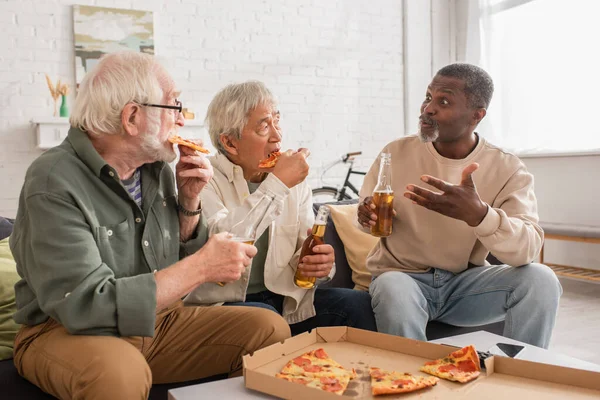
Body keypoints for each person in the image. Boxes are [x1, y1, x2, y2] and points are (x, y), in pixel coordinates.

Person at [9, 52, 291, 400]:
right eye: (175, 106)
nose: (182, 121)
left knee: (268, 329)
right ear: (132, 117)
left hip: (159, 322)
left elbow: (172, 265)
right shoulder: (53, 180)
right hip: (64, 331)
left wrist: (189, 205)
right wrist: (201, 267)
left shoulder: (156, 169)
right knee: (118, 373)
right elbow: (85, 307)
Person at [357, 63, 562, 349]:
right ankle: (412, 386)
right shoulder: (395, 152)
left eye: (443, 101)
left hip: (465, 285)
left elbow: (527, 248)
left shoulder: (507, 168)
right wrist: (365, 215)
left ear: (476, 116)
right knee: (393, 287)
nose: (428, 108)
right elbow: (367, 218)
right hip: (403, 279)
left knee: (541, 280)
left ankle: (522, 377)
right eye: (428, 96)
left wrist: (480, 216)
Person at [184, 81, 377, 335]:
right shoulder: (203, 178)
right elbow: (227, 242)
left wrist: (319, 266)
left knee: (358, 305)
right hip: (227, 305)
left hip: (285, 302)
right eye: (264, 126)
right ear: (230, 143)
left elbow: (305, 247)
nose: (277, 136)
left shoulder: (294, 183)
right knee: (267, 319)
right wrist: (278, 184)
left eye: (277, 121)